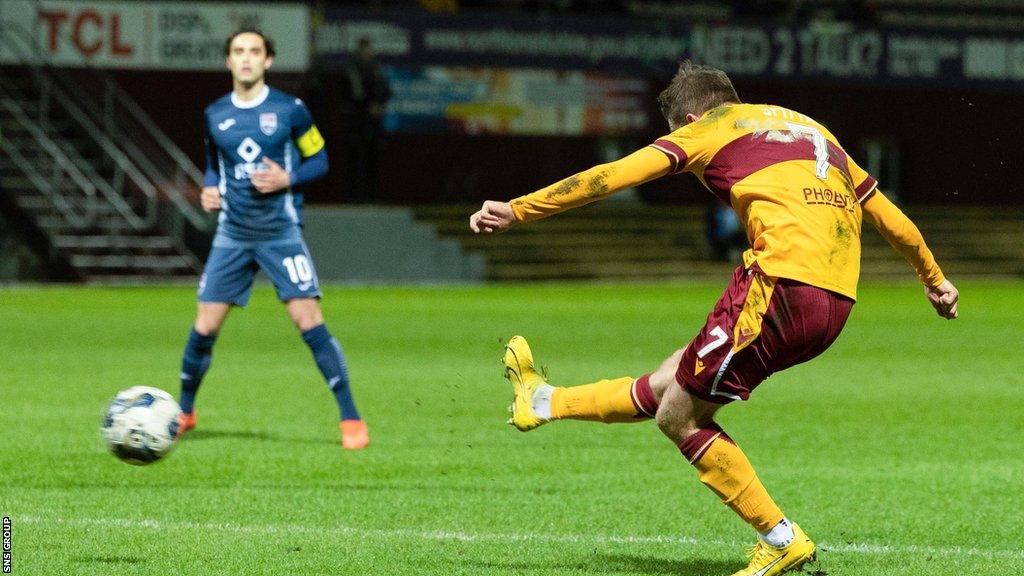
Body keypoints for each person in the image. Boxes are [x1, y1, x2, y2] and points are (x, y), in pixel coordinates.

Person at [469, 61, 958, 576]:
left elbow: (608, 177)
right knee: (673, 378)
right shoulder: (811, 129)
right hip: (835, 299)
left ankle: (780, 537)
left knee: (677, 416)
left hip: (780, 287)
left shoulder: (707, 130)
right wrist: (933, 277)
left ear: (691, 116)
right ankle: (542, 401)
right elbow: (886, 213)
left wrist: (519, 209)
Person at [177, 28, 369, 450]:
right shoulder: (215, 114)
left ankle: (351, 418)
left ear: (268, 61)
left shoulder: (290, 110)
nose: (246, 59)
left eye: (255, 51)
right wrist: (209, 190)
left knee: (310, 322)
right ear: (228, 61)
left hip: (280, 233)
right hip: (231, 234)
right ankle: (185, 411)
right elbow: (214, 165)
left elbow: (319, 159)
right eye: (238, 51)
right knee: (204, 326)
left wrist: (289, 177)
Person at [341, 37, 391, 203]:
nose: (368, 53)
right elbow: (352, 95)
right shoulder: (352, 70)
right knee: (355, 160)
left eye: (369, 49)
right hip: (357, 123)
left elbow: (386, 91)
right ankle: (353, 196)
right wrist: (367, 107)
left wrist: (379, 104)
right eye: (365, 49)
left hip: (373, 124)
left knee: (372, 160)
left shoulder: (377, 70)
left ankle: (371, 196)